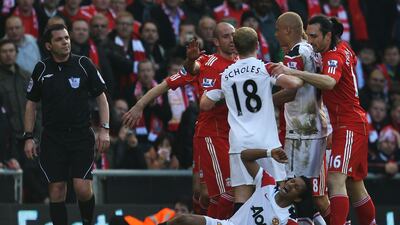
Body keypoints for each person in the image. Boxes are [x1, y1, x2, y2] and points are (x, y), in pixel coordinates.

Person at [123, 22, 238, 219]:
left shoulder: (244, 63)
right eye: (226, 36)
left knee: (209, 195)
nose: (232, 40)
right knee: (217, 194)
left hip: (238, 134)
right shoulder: (206, 62)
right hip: (211, 134)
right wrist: (139, 105)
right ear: (216, 41)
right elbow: (169, 82)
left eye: (234, 35)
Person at [271, 15, 377, 225]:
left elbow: (329, 82)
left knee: (335, 180)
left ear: (328, 35)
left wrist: (293, 70)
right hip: (346, 124)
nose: (310, 41)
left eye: (314, 36)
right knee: (356, 186)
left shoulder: (332, 56)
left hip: (349, 124)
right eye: (307, 35)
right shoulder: (344, 47)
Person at [200, 26, 303, 213]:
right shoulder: (265, 68)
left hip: (239, 143)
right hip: (267, 143)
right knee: (275, 195)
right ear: (257, 44)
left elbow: (205, 104)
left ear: (236, 48)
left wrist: (227, 95)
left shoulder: (225, 75)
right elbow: (295, 84)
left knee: (242, 200)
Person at [23, 24, 110, 225]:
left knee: (82, 188)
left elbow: (102, 98)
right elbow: (31, 104)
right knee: (56, 189)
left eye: (67, 38)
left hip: (81, 135)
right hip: (53, 137)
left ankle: (88, 221)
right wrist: (28, 137)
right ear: (48, 45)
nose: (66, 42)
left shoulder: (84, 64)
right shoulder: (41, 68)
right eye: (60, 39)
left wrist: (104, 130)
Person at [273, 12, 329, 224]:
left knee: (298, 193)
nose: (276, 34)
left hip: (302, 132)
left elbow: (291, 91)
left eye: (278, 30)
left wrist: (265, 103)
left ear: (288, 30)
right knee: (312, 194)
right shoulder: (311, 50)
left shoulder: (296, 52)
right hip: (314, 127)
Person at [163, 148, 311, 225]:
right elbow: (245, 156)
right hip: (229, 224)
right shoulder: (268, 184)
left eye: (296, 187)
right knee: (183, 220)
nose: (291, 185)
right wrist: (269, 153)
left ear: (297, 199)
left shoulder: (289, 220)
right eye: (292, 181)